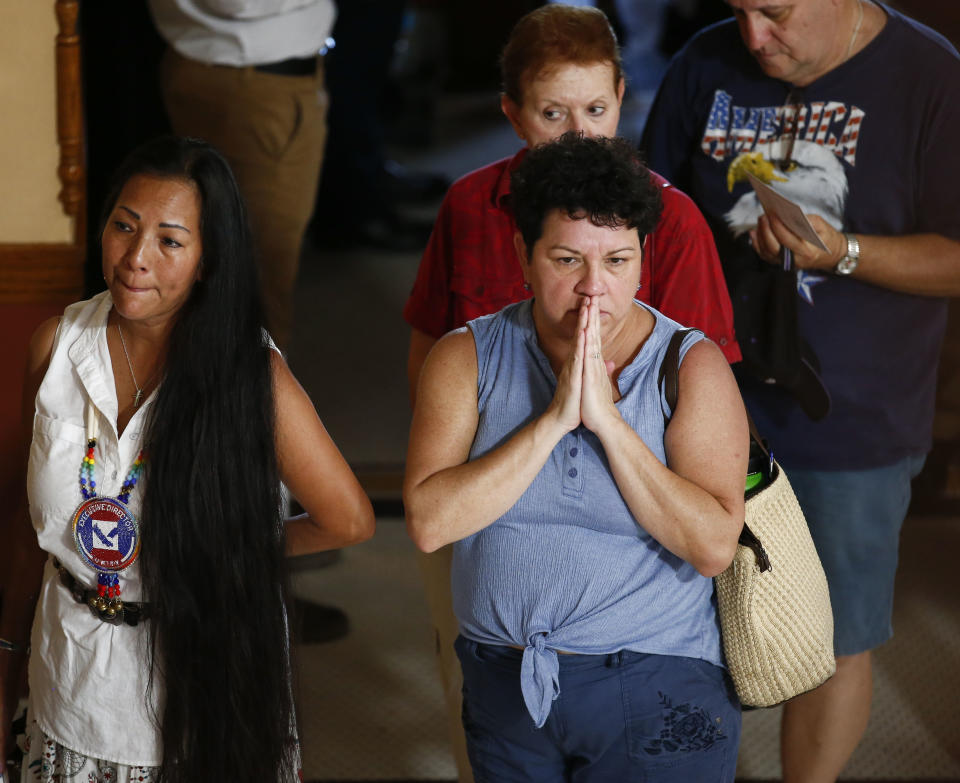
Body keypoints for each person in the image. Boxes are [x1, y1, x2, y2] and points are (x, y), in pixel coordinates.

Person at [402, 6, 740, 777]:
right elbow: (427, 520)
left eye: (619, 261)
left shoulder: (689, 362)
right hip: (506, 673)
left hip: (654, 675)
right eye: (566, 259)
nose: (595, 289)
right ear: (522, 254)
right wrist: (554, 419)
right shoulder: (469, 350)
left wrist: (610, 425)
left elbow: (714, 544)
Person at [641, 1, 960, 779]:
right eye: (739, 9)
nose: (753, 36)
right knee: (674, 624)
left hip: (855, 415)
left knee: (830, 638)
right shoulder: (705, 63)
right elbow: (643, 217)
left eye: (775, 11)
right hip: (700, 401)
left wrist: (844, 252)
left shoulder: (930, 76)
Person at [0, 137, 375, 782]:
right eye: (124, 226)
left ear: (206, 260)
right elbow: (31, 530)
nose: (136, 258)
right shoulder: (58, 346)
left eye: (170, 241)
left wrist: (229, 551)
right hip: (70, 670)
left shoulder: (250, 376)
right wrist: (6, 654)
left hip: (203, 682)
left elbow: (348, 519)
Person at [149, 0, 334, 351]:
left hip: (229, 71)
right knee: (259, 281)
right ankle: (252, 404)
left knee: (224, 269)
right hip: (254, 88)